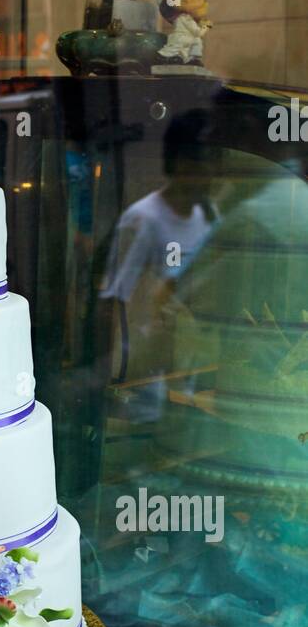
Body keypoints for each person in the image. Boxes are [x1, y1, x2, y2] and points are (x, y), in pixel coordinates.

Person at [99, 109, 218, 424]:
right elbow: (114, 298)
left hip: (185, 361)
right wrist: (122, 372)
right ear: (179, 164)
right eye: (199, 165)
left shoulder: (208, 216)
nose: (207, 176)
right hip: (144, 371)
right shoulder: (144, 219)